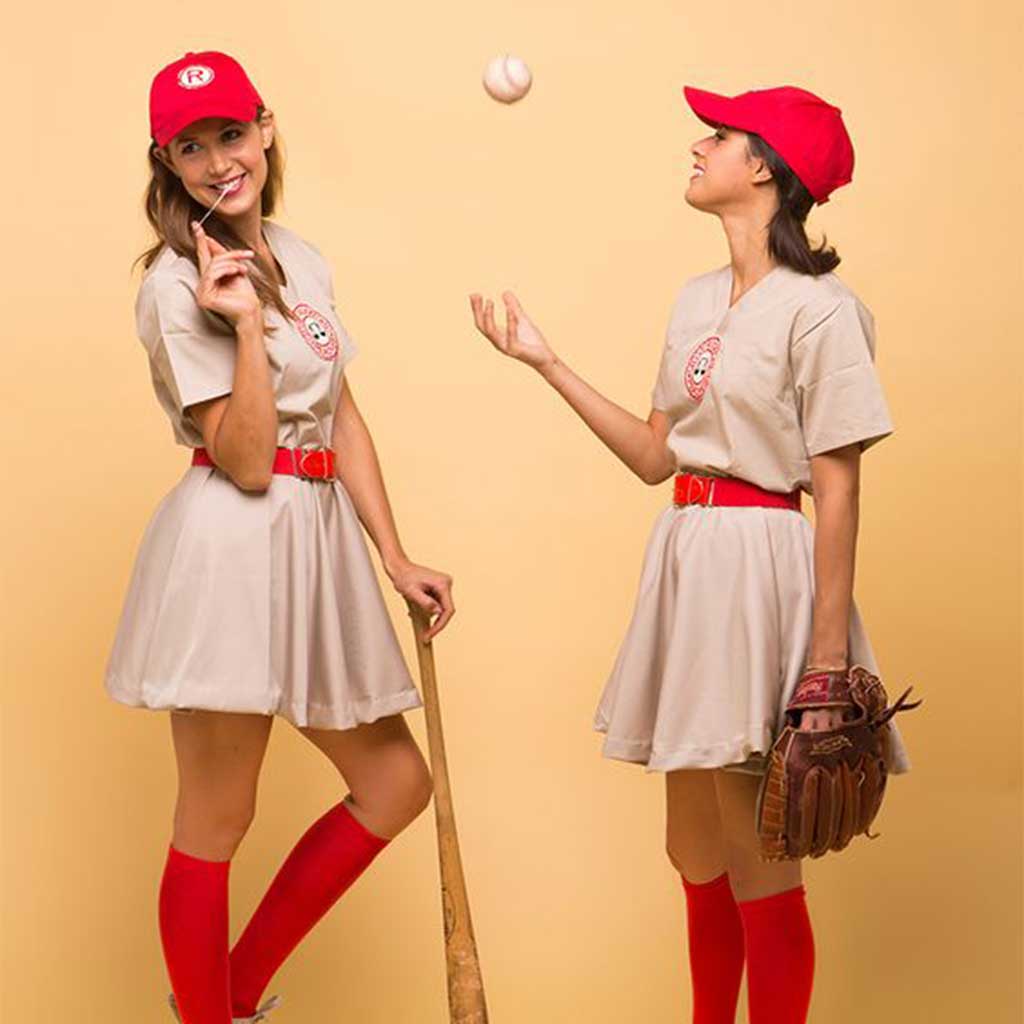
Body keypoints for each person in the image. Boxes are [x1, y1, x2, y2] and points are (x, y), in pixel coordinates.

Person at [469, 84, 912, 1024]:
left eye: (719, 135)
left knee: (763, 863)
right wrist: (544, 361)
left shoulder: (824, 311)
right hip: (687, 556)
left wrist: (825, 663)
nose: (698, 145)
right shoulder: (697, 299)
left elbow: (836, 486)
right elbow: (652, 455)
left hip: (761, 572)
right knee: (694, 853)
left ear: (765, 168)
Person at [104, 50, 454, 1024]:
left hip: (318, 542)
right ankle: (210, 1014)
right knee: (218, 816)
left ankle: (229, 994)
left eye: (229, 133)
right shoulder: (175, 286)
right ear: (165, 163)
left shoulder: (304, 256)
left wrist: (394, 554)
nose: (219, 160)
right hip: (232, 542)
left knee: (394, 780)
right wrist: (247, 328)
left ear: (263, 127)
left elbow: (339, 414)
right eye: (191, 146)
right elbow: (251, 459)